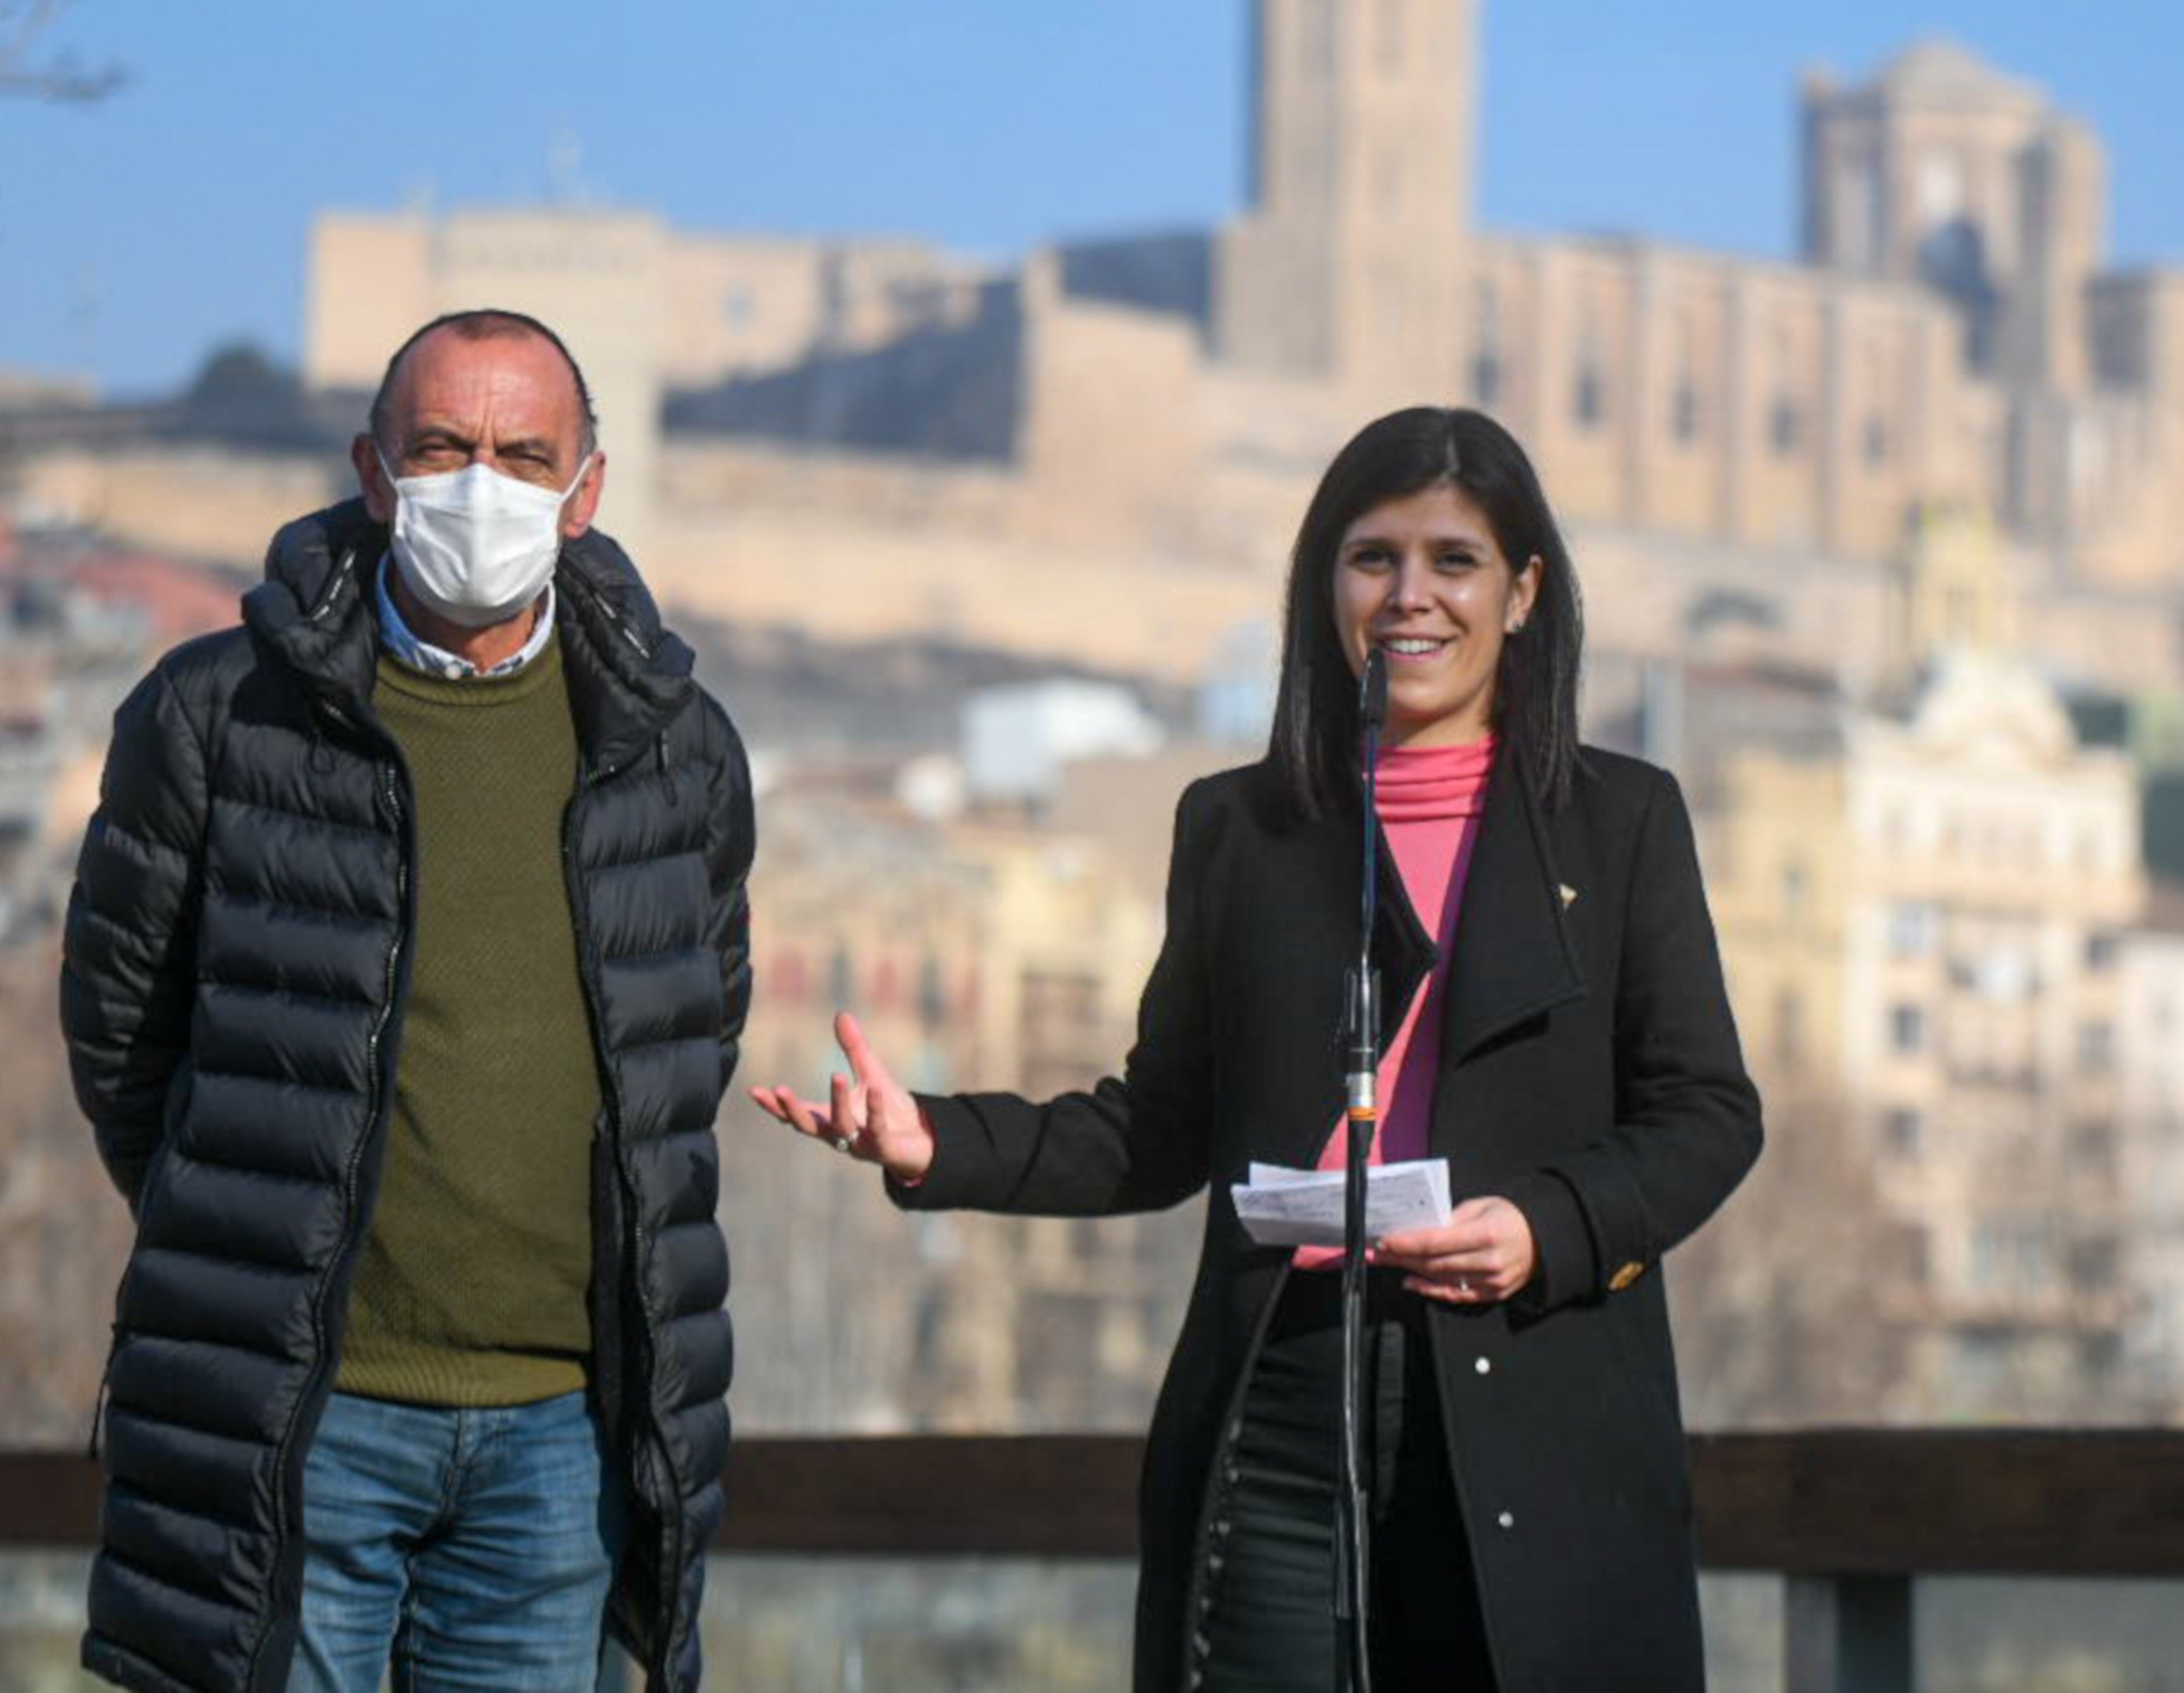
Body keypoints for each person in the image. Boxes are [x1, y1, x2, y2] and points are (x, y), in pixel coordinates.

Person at [752, 405, 1763, 1691]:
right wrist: (935, 1137)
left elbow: (1708, 1112)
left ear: (1523, 593)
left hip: (1536, 1398)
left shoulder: (1622, 821)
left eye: (1453, 560)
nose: (1411, 595)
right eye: (1372, 557)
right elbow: (1158, 1126)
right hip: (1281, 1405)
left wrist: (1549, 1224)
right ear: (1321, 587)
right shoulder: (1240, 828)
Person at [60, 310, 755, 1693]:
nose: (480, 483)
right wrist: (262, 1233)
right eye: (443, 445)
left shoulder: (674, 750)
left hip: (559, 1433)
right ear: (376, 473)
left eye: (521, 451)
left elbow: (688, 1037)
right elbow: (121, 1035)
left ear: (586, 490)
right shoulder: (218, 717)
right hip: (301, 1413)